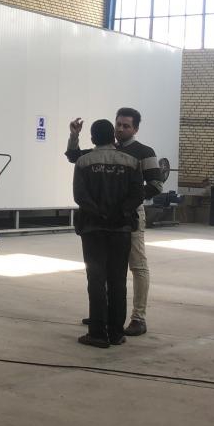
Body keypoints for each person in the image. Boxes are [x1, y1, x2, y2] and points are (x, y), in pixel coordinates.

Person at [66, 107, 164, 336]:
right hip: (107, 215)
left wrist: (126, 202)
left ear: (135, 129)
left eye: (126, 126)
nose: (121, 129)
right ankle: (104, 315)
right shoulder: (107, 148)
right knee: (106, 269)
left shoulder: (144, 152)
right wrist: (74, 135)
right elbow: (74, 156)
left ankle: (138, 317)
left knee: (136, 265)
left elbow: (156, 185)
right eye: (118, 124)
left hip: (129, 214)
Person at [72, 119, 143, 348]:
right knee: (118, 280)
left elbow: (80, 196)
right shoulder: (131, 162)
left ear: (93, 138)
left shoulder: (84, 162)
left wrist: (100, 213)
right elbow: (137, 194)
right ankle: (116, 333)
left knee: (96, 280)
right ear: (113, 136)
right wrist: (120, 212)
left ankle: (97, 334)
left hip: (93, 229)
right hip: (121, 229)